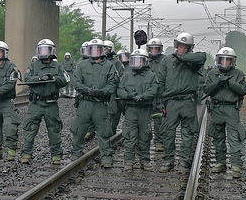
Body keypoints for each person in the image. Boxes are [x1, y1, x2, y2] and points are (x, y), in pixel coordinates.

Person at [157, 32, 206, 173]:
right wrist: (160, 101)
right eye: (180, 46)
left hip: (188, 101)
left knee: (188, 133)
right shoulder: (167, 60)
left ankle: (183, 161)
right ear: (176, 45)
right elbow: (160, 80)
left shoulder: (194, 60)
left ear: (190, 48)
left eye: (185, 47)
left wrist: (183, 58)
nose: (182, 49)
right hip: (171, 102)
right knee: (168, 133)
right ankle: (168, 161)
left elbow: (202, 56)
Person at [203, 47, 246, 178]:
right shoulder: (212, 73)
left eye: (227, 60)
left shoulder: (239, 74)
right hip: (217, 108)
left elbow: (243, 90)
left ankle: (236, 166)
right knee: (218, 137)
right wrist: (217, 83)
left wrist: (229, 83)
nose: (224, 63)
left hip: (231, 109)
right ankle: (220, 163)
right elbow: (206, 89)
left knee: (234, 138)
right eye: (222, 60)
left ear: (232, 61)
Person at [71, 39, 118, 168]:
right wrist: (86, 90)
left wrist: (102, 92)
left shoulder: (109, 65)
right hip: (85, 102)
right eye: (92, 49)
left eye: (98, 49)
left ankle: (106, 158)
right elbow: (76, 82)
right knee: (79, 130)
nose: (95, 52)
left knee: (103, 132)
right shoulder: (82, 64)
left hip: (100, 104)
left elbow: (112, 84)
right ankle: (75, 154)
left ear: (102, 50)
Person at [21, 39, 68, 165]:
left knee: (54, 130)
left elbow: (65, 81)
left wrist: (53, 78)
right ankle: (26, 154)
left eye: (46, 49)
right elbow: (27, 79)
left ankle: (56, 155)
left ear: (51, 51)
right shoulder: (33, 65)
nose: (43, 52)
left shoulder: (58, 66)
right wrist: (40, 78)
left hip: (51, 103)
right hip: (36, 103)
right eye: (41, 49)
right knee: (30, 129)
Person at [117, 49, 158, 171]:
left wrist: (143, 96)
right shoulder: (126, 75)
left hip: (144, 110)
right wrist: (128, 96)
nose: (136, 63)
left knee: (145, 136)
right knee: (129, 137)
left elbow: (154, 89)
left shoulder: (151, 76)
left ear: (145, 61)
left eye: (139, 60)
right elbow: (119, 90)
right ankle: (129, 161)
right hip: (130, 110)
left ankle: (145, 161)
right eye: (134, 60)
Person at [146, 38, 166, 152]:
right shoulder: (145, 59)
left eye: (156, 49)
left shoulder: (165, 60)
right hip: (147, 94)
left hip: (159, 95)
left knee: (159, 119)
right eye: (151, 49)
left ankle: (159, 141)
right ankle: (143, 142)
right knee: (144, 120)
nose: (153, 51)